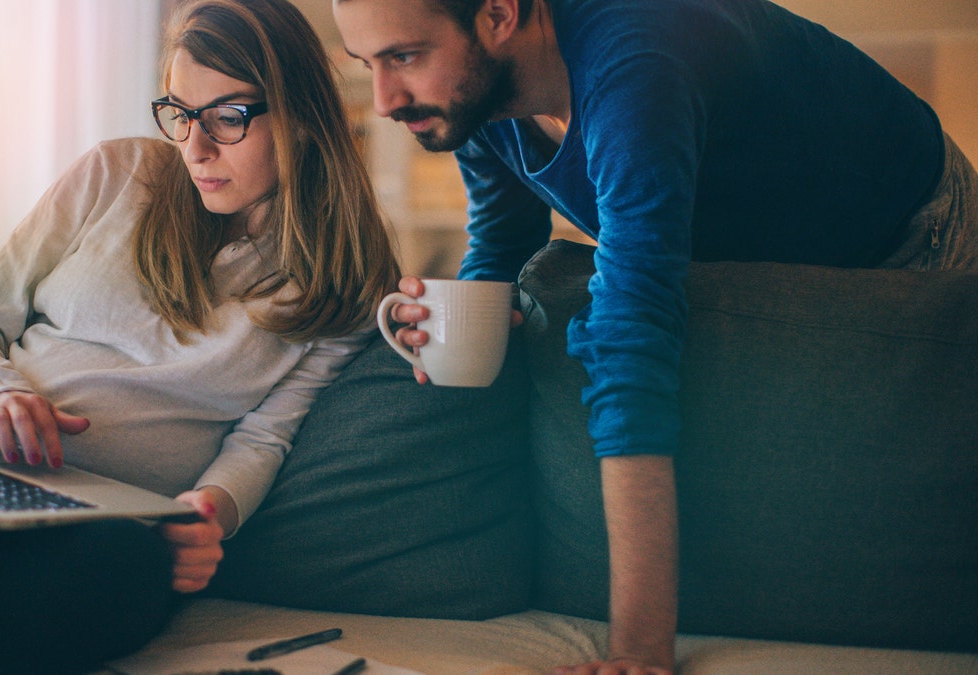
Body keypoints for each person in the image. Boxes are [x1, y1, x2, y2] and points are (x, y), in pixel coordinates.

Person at [331, 0, 978, 673]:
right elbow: (501, 236)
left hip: (909, 233)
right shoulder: (471, 98)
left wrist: (638, 648)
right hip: (749, 254)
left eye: (404, 57)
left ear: (498, 13)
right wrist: (459, 327)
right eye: (367, 64)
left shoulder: (636, 56)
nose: (383, 100)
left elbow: (630, 334)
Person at [0, 0, 399, 672]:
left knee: (126, 576)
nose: (196, 147)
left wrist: (211, 512)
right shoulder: (114, 176)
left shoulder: (347, 283)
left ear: (302, 114)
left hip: (109, 526)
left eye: (227, 116)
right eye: (181, 115)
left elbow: (265, 435)